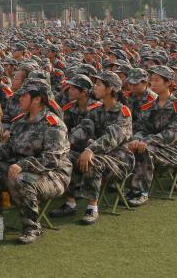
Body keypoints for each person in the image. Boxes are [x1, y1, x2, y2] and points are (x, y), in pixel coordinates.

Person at [0, 79, 72, 244]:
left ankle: (32, 227)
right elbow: (7, 149)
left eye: (24, 96)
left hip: (53, 175)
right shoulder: (20, 121)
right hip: (20, 168)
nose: (19, 98)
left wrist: (22, 165)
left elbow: (51, 159)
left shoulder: (53, 125)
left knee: (20, 179)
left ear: (37, 99)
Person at [49, 71, 133, 225]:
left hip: (119, 159)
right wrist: (65, 145)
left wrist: (90, 150)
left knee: (93, 161)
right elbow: (84, 128)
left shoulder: (123, 113)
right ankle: (70, 203)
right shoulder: (95, 109)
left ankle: (92, 208)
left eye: (99, 84)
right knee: (64, 157)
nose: (95, 87)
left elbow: (112, 138)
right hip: (96, 153)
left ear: (110, 89)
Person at [125, 65, 177, 206]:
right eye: (152, 80)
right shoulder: (149, 105)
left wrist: (146, 141)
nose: (152, 83)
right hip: (155, 146)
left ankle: (142, 192)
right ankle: (130, 186)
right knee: (130, 147)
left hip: (174, 149)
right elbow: (142, 128)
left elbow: (170, 134)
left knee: (145, 150)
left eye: (157, 80)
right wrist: (136, 139)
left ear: (168, 83)